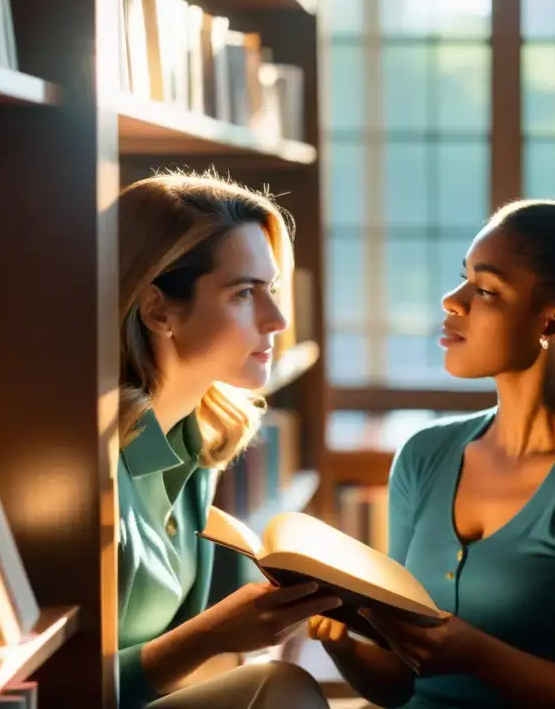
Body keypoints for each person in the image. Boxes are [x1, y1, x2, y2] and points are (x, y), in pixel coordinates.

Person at [308, 200, 555, 709]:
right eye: (462, 279)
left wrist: (479, 656)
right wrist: (342, 647)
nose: (451, 300)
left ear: (552, 324)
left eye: (485, 290)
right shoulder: (424, 456)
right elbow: (404, 683)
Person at [116, 173, 339, 709]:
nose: (278, 319)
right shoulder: (87, 459)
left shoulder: (192, 446)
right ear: (158, 310)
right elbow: (53, 686)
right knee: (281, 688)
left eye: (272, 290)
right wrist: (211, 636)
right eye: (244, 293)